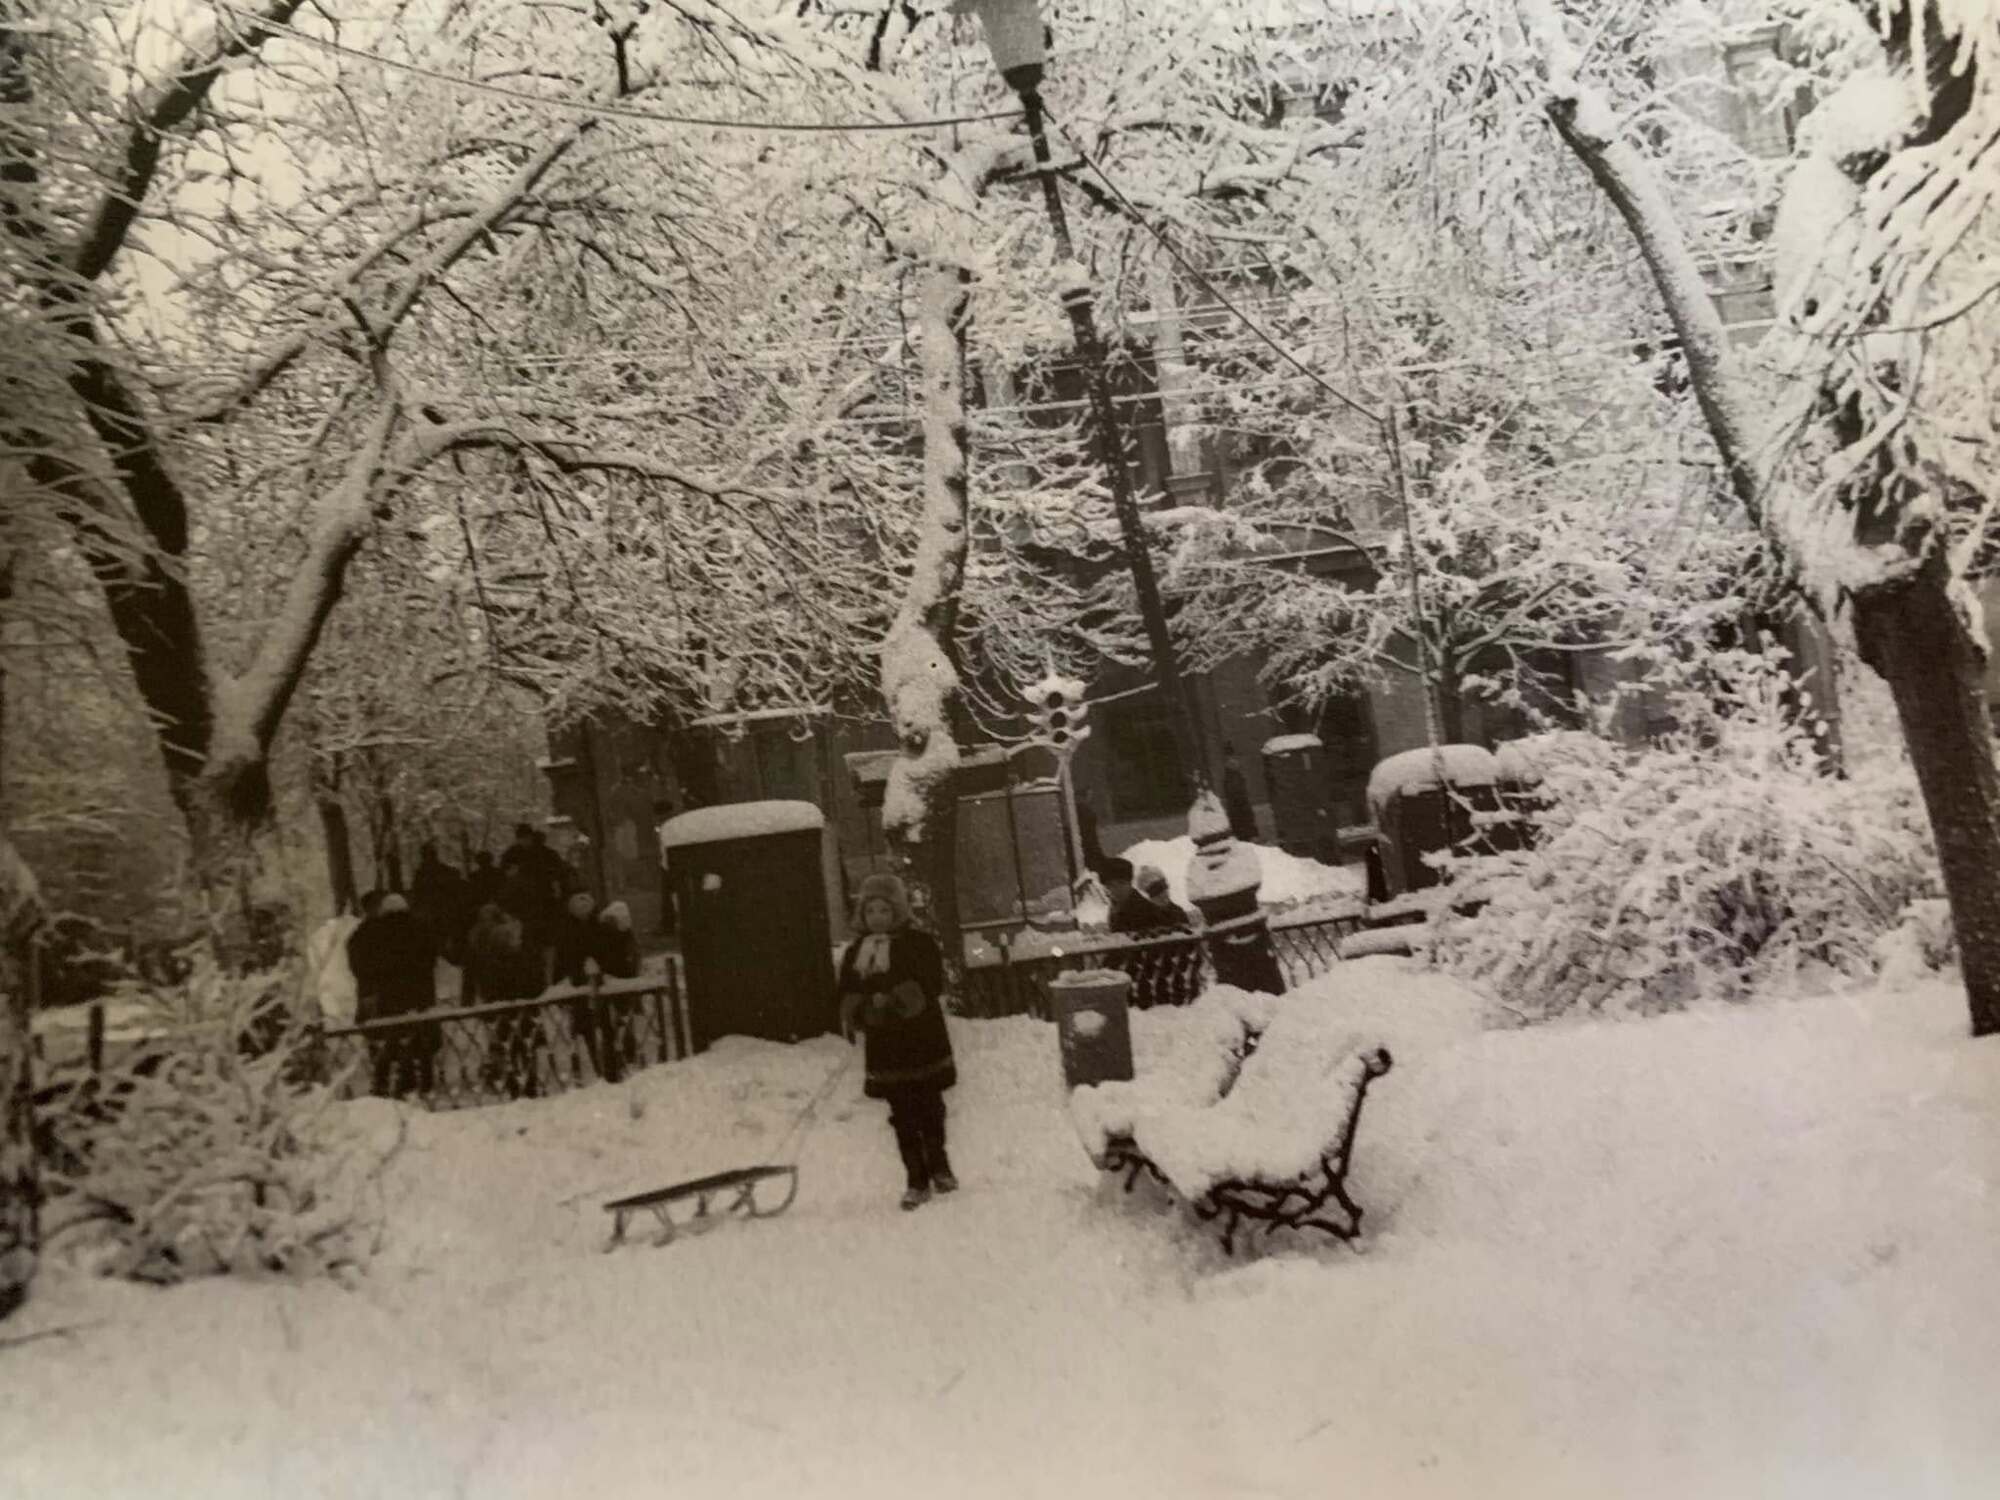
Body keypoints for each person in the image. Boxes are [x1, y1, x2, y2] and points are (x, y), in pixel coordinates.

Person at [835, 873, 957, 1211]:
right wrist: (864, 1008)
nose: (877, 917)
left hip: (922, 1038)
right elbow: (846, 993)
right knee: (901, 1112)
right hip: (887, 1045)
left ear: (898, 911)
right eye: (870, 910)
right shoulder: (855, 952)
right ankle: (916, 1179)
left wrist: (894, 999)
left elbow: (931, 983)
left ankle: (939, 1163)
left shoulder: (918, 943)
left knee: (929, 1106)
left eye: (884, 910)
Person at [354, 894, 440, 1099]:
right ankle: (425, 1081)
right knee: (420, 1035)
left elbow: (364, 963)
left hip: (390, 996)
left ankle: (390, 1081)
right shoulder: (420, 928)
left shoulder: (376, 931)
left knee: (393, 1036)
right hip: (420, 993)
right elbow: (431, 956)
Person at [465, 901, 544, 1098]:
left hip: (496, 1002)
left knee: (502, 1043)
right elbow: (531, 974)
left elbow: (475, 972)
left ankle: (511, 1083)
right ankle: (530, 1081)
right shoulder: (515, 939)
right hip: (522, 1003)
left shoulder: (478, 940)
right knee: (526, 1044)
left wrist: (473, 997)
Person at [410, 841, 468, 965]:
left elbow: (417, 896)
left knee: (436, 940)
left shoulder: (421, 874)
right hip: (446, 912)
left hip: (431, 914)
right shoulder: (446, 871)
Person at [653, 798, 677, 939]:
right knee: (667, 898)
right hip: (667, 865)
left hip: (671, 866)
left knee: (670, 898)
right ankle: (668, 925)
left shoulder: (669, 826)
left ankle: (668, 926)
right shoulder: (664, 826)